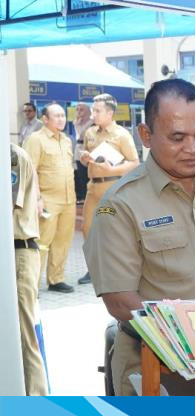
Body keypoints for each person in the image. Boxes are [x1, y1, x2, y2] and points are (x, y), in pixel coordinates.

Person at [84, 79, 195, 396]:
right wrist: (189, 344)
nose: (194, 149)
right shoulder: (119, 205)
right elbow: (120, 301)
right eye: (177, 138)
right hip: (156, 372)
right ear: (146, 135)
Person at [77, 94, 139, 285]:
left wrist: (113, 169)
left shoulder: (121, 134)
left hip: (112, 188)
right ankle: (93, 269)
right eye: (93, 110)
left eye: (97, 111)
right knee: (87, 229)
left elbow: (135, 162)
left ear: (110, 113)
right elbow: (85, 158)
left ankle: (116, 270)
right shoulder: (90, 133)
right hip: (92, 188)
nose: (93, 114)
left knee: (112, 231)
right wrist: (84, 158)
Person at [23, 103, 76, 294]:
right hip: (47, 199)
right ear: (45, 119)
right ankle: (32, 284)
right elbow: (30, 171)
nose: (61, 119)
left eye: (63, 115)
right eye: (56, 116)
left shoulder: (67, 140)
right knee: (42, 242)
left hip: (68, 199)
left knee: (63, 241)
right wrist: (37, 198)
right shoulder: (35, 140)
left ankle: (56, 279)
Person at [10, 143, 48, 395]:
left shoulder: (11, 156)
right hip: (10, 253)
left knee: (25, 336)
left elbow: (9, 204)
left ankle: (36, 403)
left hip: (19, 252)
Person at [72, 103, 93, 202]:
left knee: (88, 174)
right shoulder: (76, 122)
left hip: (89, 149)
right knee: (80, 174)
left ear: (88, 111)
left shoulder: (93, 123)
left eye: (81, 110)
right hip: (78, 149)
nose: (79, 111)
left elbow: (81, 135)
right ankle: (82, 196)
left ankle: (89, 196)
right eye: (77, 109)